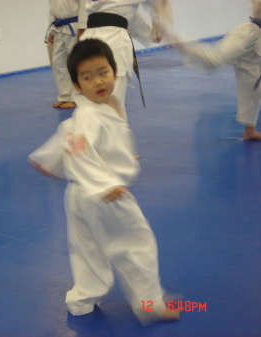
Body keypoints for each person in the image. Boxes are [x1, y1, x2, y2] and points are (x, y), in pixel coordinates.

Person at [28, 39, 180, 325]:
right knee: (137, 245)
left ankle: (82, 300)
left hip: (77, 196)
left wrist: (49, 158)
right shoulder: (90, 115)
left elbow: (69, 136)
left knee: (87, 250)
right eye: (87, 77)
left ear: (115, 70)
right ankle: (150, 305)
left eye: (102, 72)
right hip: (103, 194)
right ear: (76, 85)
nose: (98, 81)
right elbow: (81, 152)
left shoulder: (97, 107)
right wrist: (105, 186)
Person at [171, 0, 261, 141]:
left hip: (257, 40)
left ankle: (249, 131)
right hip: (250, 32)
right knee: (215, 59)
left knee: (253, 85)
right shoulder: (248, 30)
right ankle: (183, 44)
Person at [79, 0, 173, 120]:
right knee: (111, 101)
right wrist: (158, 28)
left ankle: (94, 135)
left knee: (90, 101)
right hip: (112, 42)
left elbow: (123, 14)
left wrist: (150, 34)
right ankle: (113, 135)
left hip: (89, 39)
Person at [47, 0, 87, 109]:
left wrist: (82, 28)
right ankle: (64, 96)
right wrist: (51, 31)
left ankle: (76, 97)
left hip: (74, 26)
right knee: (58, 62)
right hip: (58, 27)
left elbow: (84, 6)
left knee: (75, 62)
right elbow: (52, 10)